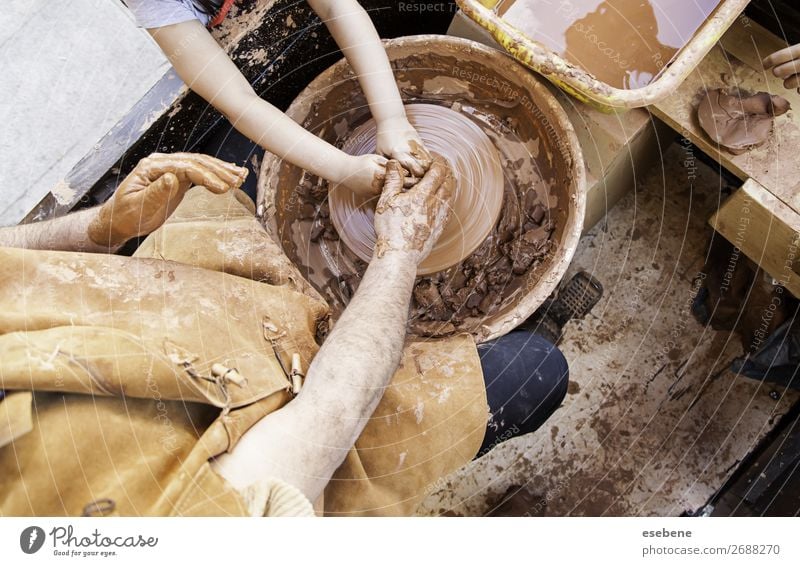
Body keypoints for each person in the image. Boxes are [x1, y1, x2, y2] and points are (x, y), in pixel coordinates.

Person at [0, 153, 569, 516]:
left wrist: (104, 227)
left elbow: (9, 263)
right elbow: (325, 415)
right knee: (538, 370)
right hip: (304, 446)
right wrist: (402, 250)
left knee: (223, 168)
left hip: (164, 304)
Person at [122, 0, 432, 195]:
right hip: (239, 71)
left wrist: (392, 118)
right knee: (235, 172)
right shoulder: (156, 4)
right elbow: (238, 100)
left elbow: (336, 7)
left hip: (309, 16)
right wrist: (343, 170)